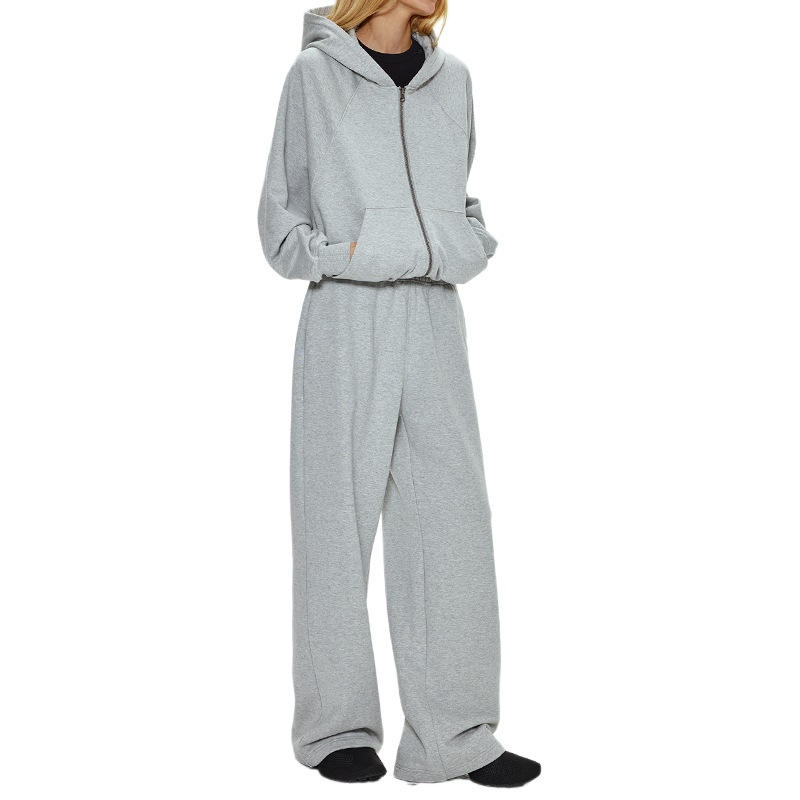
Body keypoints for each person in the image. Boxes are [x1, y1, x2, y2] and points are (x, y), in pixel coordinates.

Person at [257, 1, 541, 788]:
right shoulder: (314, 77)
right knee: (334, 523)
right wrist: (346, 252)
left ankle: (455, 737)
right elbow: (279, 219)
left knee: (453, 525)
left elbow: (456, 194)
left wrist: (465, 242)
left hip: (436, 313)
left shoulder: (456, 81)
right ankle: (336, 730)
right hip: (346, 312)